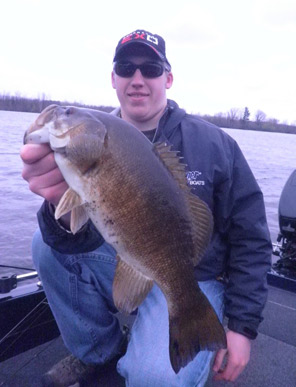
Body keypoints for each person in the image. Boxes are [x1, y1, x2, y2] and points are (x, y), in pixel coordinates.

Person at [21, 29, 271, 386]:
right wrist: (56, 213)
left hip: (193, 276)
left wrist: (243, 328)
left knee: (155, 378)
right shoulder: (85, 144)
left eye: (150, 68)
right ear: (113, 78)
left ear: (168, 78)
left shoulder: (216, 144)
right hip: (127, 261)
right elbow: (77, 239)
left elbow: (252, 238)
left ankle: (183, 328)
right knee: (44, 245)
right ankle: (99, 352)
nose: (137, 79)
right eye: (126, 67)